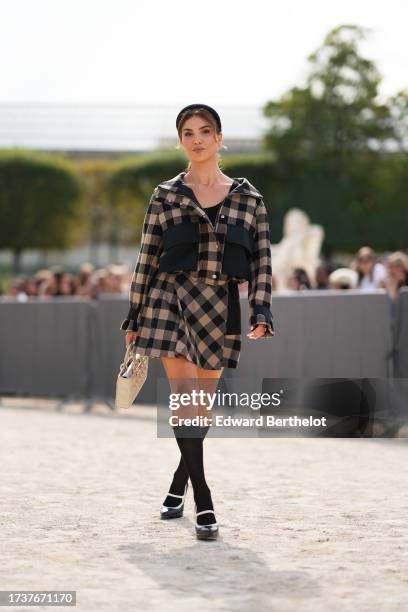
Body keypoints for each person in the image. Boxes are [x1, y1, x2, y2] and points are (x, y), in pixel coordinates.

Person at [120, 103, 275, 540]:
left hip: (220, 303)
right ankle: (204, 500)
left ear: (219, 138)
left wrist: (261, 309)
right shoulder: (165, 194)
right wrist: (134, 315)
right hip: (168, 301)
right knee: (185, 398)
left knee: (199, 406)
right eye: (188, 132)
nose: (197, 139)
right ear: (181, 140)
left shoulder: (249, 198)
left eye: (205, 131)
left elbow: (263, 260)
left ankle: (176, 485)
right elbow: (147, 257)